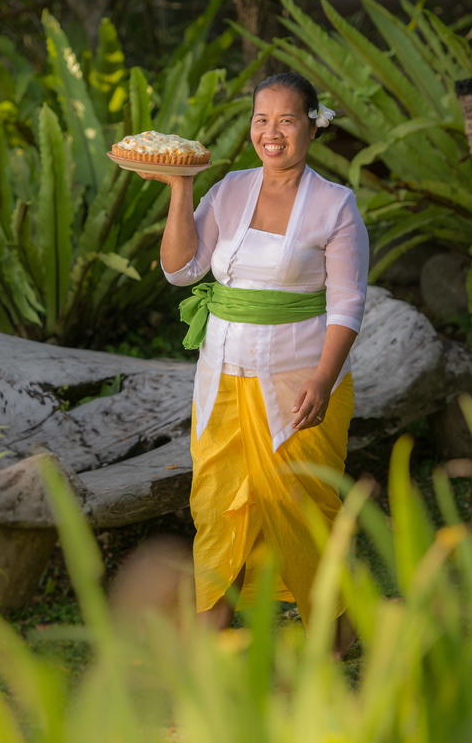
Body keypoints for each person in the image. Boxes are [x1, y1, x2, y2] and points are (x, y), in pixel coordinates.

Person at [140, 72, 367, 654]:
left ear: (313, 126)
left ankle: (336, 631)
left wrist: (323, 377)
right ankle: (212, 634)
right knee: (217, 504)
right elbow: (180, 270)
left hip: (300, 381)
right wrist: (181, 187)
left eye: (287, 120)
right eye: (261, 120)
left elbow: (346, 303)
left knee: (301, 505)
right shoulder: (230, 189)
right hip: (222, 378)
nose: (272, 133)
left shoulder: (336, 204)